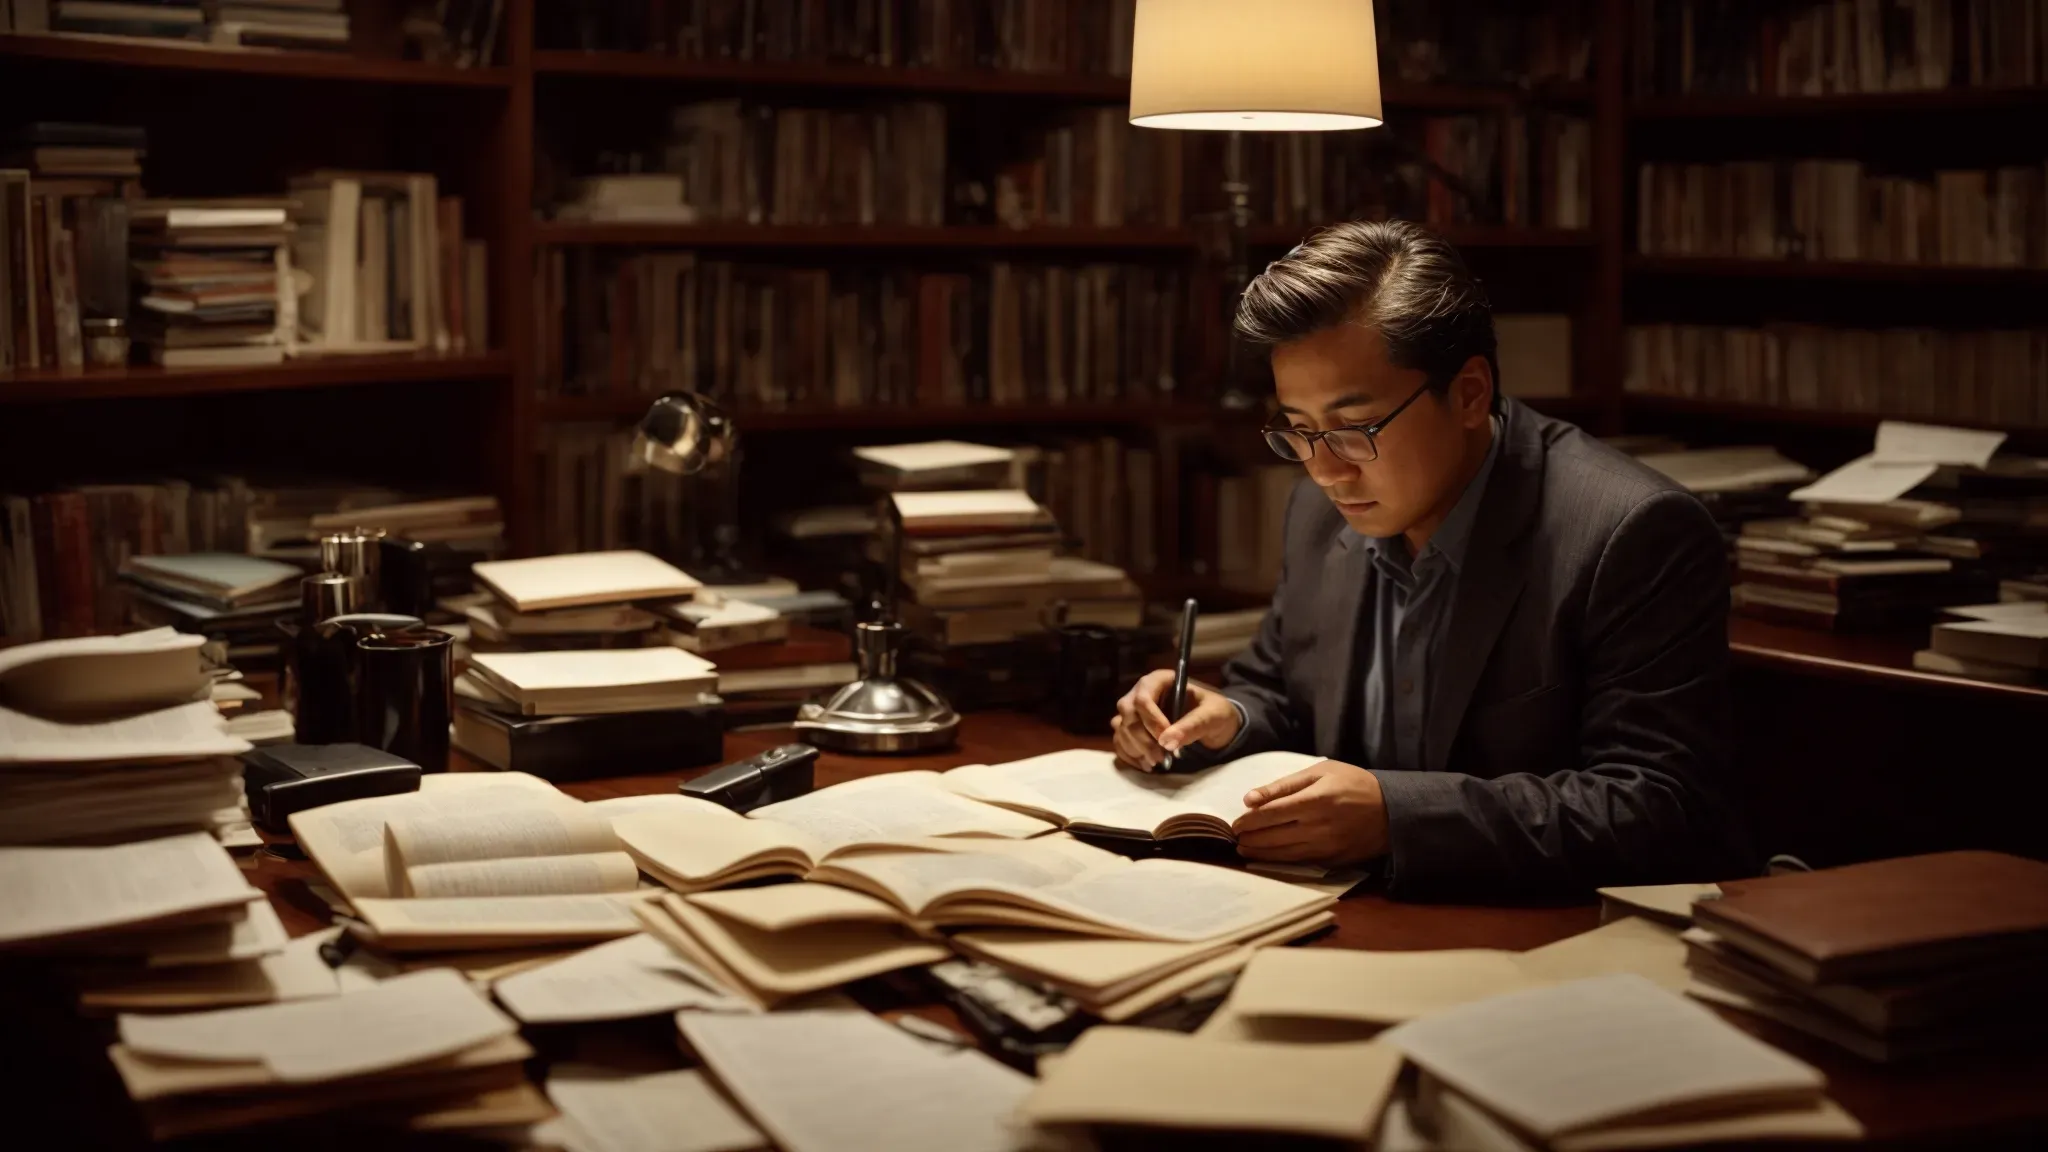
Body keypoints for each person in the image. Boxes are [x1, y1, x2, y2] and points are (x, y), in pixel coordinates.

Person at [1112, 220, 1754, 902]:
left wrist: (1397, 816)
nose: (1324, 470)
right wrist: (1225, 718)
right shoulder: (1316, 511)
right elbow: (1283, 694)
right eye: (1298, 429)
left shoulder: (1631, 532)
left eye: (1354, 429)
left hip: (1548, 935)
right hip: (1341, 910)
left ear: (1471, 393)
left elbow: (1658, 807)